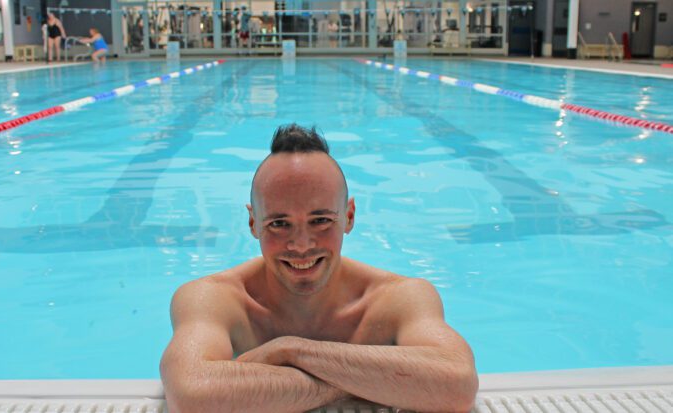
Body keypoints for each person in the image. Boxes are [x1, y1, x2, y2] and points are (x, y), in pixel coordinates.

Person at [160, 124, 478, 412]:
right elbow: (191, 397)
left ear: (349, 217)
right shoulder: (213, 298)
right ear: (253, 222)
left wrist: (291, 350)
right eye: (279, 223)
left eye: (321, 220)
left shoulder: (399, 297)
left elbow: (458, 386)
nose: (300, 245)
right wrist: (376, 382)